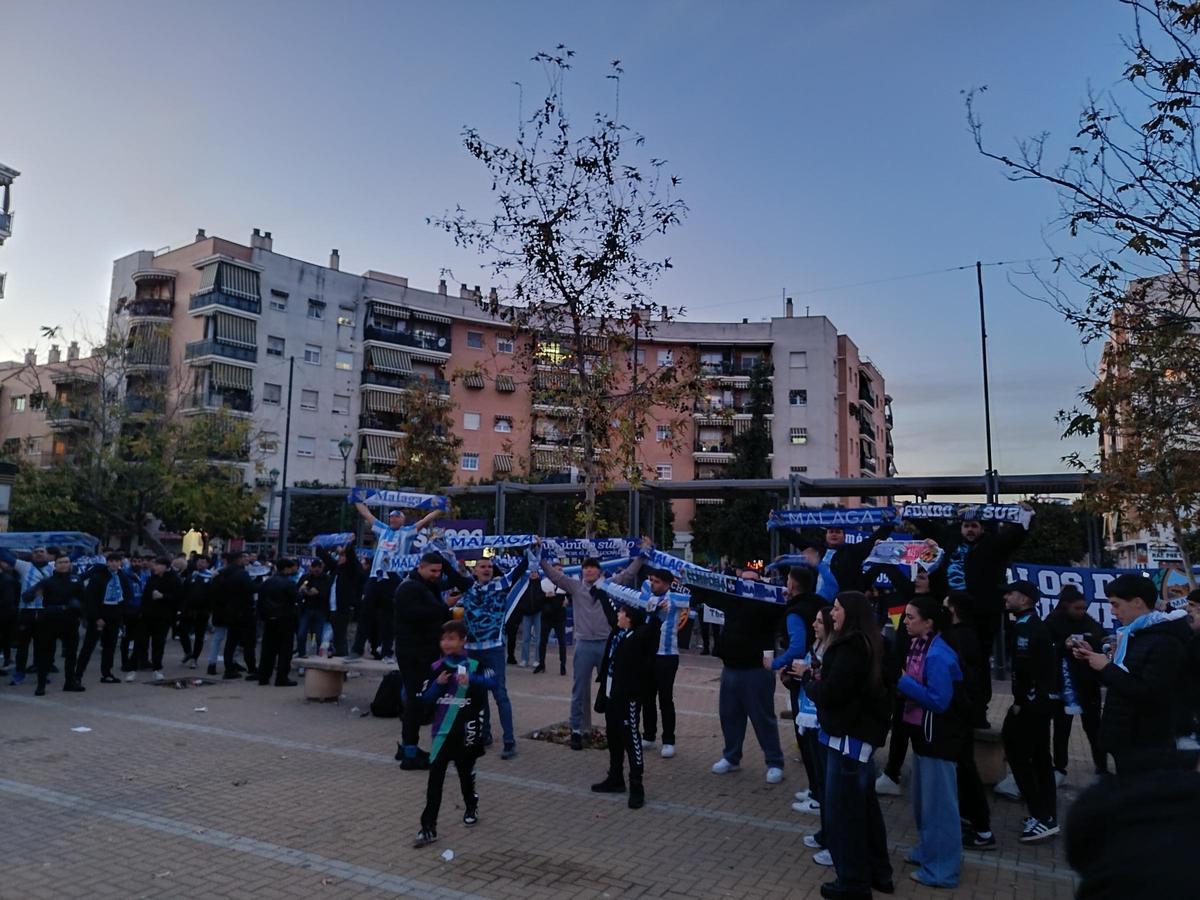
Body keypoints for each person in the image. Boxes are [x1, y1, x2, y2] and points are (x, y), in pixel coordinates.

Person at [800, 591, 893, 898]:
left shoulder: (851, 647)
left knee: (846, 815)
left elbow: (832, 692)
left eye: (837, 609)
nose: (832, 614)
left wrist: (808, 682)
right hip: (853, 739)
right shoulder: (869, 643)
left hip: (848, 742)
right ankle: (878, 872)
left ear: (850, 614)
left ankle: (853, 883)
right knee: (864, 810)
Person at [1070, 573, 1190, 773]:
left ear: (1137, 602)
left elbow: (1149, 693)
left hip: (1145, 743)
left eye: (1116, 605)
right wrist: (1093, 658)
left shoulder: (1164, 641)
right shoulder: (1134, 634)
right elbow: (1122, 681)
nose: (1112, 611)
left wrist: (1106, 667)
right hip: (1126, 738)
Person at [537, 540, 648, 751]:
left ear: (599, 571)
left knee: (612, 689)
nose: (589, 571)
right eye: (586, 568)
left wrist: (642, 556)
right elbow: (554, 576)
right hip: (584, 645)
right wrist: (540, 558)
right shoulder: (575, 586)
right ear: (582, 571)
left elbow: (628, 575)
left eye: (593, 568)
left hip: (607, 645)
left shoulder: (608, 585)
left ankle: (614, 729)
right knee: (580, 690)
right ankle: (578, 731)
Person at [928, 508, 1030, 723]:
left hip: (983, 615)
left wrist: (1026, 517)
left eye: (974, 526)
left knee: (979, 663)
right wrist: (911, 513)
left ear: (982, 528)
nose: (970, 530)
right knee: (950, 658)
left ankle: (978, 711)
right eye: (967, 526)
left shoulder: (992, 545)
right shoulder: (951, 540)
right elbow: (931, 528)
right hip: (953, 616)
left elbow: (1014, 536)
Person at [896, 595, 966, 889]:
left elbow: (939, 701)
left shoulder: (939, 655)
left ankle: (943, 869)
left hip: (939, 737)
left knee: (940, 806)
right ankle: (928, 851)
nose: (905, 622)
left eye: (911, 617)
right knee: (924, 802)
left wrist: (902, 681)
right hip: (921, 734)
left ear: (929, 622)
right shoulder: (918, 645)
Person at [413, 620, 495, 848]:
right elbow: (425, 699)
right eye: (443, 638)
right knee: (434, 781)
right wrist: (438, 684)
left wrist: (472, 681)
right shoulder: (437, 666)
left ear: (462, 640)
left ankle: (471, 803)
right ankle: (428, 827)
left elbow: (494, 682)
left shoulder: (475, 664)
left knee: (465, 776)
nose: (446, 643)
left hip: (466, 731)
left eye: (452, 638)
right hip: (441, 734)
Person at [440, 550, 529, 760]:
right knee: (477, 694)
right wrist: (439, 549)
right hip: (471, 650)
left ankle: (509, 742)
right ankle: (484, 734)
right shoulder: (467, 586)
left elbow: (520, 570)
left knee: (500, 694)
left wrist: (531, 549)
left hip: (494, 649)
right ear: (474, 570)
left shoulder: (501, 585)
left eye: (489, 566)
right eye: (482, 566)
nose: (486, 569)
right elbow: (450, 572)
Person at [702, 570, 786, 784]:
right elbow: (707, 595)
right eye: (744, 581)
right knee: (729, 716)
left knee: (763, 718)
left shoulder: (770, 605)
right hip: (730, 668)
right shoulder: (732, 600)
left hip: (756, 671)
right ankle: (731, 757)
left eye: (753, 581)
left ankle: (774, 762)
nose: (747, 585)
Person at [599, 561, 689, 758]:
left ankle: (668, 740)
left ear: (667, 583)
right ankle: (649, 735)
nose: (652, 583)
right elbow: (632, 587)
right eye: (651, 580)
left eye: (657, 581)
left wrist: (681, 581)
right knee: (646, 696)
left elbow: (689, 597)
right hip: (646, 655)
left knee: (665, 699)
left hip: (667, 655)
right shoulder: (647, 592)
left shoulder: (674, 598)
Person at [1000, 579, 1059, 842]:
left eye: (1010, 593)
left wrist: (1020, 702)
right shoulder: (1026, 625)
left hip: (1032, 706)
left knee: (1024, 756)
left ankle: (1042, 815)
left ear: (1025, 599)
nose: (1006, 597)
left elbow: (1026, 672)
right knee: (1037, 758)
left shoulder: (1029, 629)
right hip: (1037, 703)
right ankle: (1044, 814)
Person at [591, 604, 662, 809]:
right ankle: (615, 778)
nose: (617, 615)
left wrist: (655, 612)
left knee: (631, 739)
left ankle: (637, 785)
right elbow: (608, 610)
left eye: (621, 613)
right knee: (613, 737)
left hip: (628, 697)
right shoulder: (618, 634)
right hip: (611, 694)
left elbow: (651, 629)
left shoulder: (638, 637)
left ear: (629, 618)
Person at [941, 590, 994, 851]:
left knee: (965, 767)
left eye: (945, 606)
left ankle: (982, 828)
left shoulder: (960, 637)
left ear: (952, 610)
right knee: (961, 768)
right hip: (963, 710)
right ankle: (970, 818)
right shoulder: (965, 635)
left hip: (959, 713)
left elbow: (962, 677)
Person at [395, 551, 457, 770]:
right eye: (433, 571)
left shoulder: (425, 585)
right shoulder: (409, 588)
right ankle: (409, 754)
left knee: (415, 700)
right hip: (414, 653)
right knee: (415, 701)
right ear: (420, 567)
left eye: (440, 571)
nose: (437, 575)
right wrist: (444, 605)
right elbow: (417, 614)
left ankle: (407, 746)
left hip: (423, 652)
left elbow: (458, 582)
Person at [770, 566, 824, 812]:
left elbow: (796, 647)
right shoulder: (820, 603)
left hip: (803, 677)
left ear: (792, 585)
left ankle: (818, 795)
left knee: (807, 737)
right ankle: (816, 789)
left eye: (787, 580)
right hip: (818, 673)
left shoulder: (795, 613)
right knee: (813, 738)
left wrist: (776, 664)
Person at [1045, 585, 1108, 781]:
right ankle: (1060, 767)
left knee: (1094, 727)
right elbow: (1044, 648)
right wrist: (1063, 645)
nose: (1081, 612)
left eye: (1083, 608)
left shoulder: (1089, 622)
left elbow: (1099, 637)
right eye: (1077, 608)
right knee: (1062, 728)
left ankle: (1102, 767)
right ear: (1066, 606)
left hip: (1088, 683)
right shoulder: (1052, 622)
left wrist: (1093, 643)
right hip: (1063, 684)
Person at [788, 605, 835, 841]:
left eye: (819, 621)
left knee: (825, 774)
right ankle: (825, 830)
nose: (814, 625)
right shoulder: (816, 645)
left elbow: (825, 682)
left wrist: (808, 673)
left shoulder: (832, 651)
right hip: (807, 711)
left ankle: (829, 834)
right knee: (816, 766)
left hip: (820, 718)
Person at [776, 515, 896, 593]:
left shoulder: (852, 552)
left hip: (843, 605)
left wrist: (890, 524)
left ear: (844, 536)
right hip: (819, 605)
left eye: (838, 532)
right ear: (826, 535)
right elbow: (798, 540)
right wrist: (779, 525)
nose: (834, 534)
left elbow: (872, 540)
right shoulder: (818, 551)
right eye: (831, 532)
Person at [24, 554, 86, 696]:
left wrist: (81, 612)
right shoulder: (47, 582)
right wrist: (34, 593)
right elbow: (27, 596)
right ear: (55, 565)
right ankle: (41, 685)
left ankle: (69, 683)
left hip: (70, 621)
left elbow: (84, 600)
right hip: (50, 621)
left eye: (66, 562)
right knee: (45, 654)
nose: (64, 565)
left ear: (70, 564)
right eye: (60, 562)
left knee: (71, 654)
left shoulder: (76, 580)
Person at [76, 552, 134, 684]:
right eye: (111, 561)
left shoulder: (122, 576)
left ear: (120, 563)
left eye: (117, 561)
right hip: (100, 614)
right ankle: (78, 674)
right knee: (89, 646)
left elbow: (127, 594)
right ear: (107, 562)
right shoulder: (98, 577)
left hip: (115, 614)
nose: (114, 564)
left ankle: (107, 673)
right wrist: (96, 617)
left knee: (110, 646)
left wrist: (121, 613)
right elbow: (90, 599)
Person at [1, 546, 55, 685]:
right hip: (26, 611)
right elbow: (5, 555)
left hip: (44, 611)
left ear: (47, 554)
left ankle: (42, 673)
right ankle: (20, 672)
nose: (38, 554)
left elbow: (75, 556)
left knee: (43, 645)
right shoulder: (24, 566)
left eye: (41, 551)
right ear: (32, 555)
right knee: (22, 645)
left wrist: (82, 540)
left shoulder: (53, 566)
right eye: (35, 552)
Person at [257, 558, 300, 687]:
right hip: (285, 619)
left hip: (270, 619)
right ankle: (281, 678)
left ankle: (264, 677)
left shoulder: (267, 582)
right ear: (286, 568)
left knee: (268, 649)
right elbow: (296, 598)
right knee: (285, 650)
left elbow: (261, 601)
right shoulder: (289, 583)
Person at [317, 543, 362, 658]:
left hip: (343, 607)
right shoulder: (337, 569)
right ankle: (340, 652)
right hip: (333, 607)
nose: (339, 558)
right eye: (339, 556)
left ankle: (342, 654)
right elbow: (327, 559)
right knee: (337, 633)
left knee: (341, 633)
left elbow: (352, 558)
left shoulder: (350, 571)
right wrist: (321, 544)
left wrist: (348, 546)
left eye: (342, 556)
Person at [219, 551, 258, 681]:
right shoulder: (242, 574)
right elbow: (251, 588)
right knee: (248, 643)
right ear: (238, 559)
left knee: (231, 641)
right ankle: (252, 669)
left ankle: (229, 668)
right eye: (243, 558)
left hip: (229, 611)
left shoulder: (222, 574)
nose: (245, 560)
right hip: (244, 611)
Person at [143, 556, 181, 682]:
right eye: (155, 565)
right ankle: (140, 663)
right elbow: (146, 594)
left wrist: (163, 596)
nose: (155, 567)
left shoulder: (174, 579)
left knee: (158, 643)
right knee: (143, 640)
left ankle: (157, 667)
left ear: (165, 567)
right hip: (148, 615)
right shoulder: (152, 578)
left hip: (164, 616)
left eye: (158, 565)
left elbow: (177, 597)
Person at [179, 555, 214, 669]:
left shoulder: (210, 577)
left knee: (199, 636)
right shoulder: (192, 575)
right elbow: (184, 591)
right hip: (188, 609)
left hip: (202, 611)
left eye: (203, 562)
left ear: (208, 564)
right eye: (199, 561)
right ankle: (188, 652)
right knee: (182, 632)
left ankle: (195, 658)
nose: (200, 564)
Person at [296, 558, 332, 658]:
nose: (314, 573)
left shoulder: (327, 579)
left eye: (316, 571)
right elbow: (298, 591)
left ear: (321, 569)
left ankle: (319, 657)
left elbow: (322, 593)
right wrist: (303, 591)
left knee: (319, 636)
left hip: (320, 609)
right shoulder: (306, 577)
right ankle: (302, 654)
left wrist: (309, 592)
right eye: (312, 571)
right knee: (301, 634)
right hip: (306, 609)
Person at [534, 572, 568, 676]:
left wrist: (568, 600)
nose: (559, 571)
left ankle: (563, 666)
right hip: (546, 617)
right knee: (542, 641)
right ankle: (541, 664)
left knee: (562, 642)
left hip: (560, 618)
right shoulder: (543, 583)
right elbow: (537, 598)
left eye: (560, 570)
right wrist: (545, 595)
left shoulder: (565, 583)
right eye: (556, 569)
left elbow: (572, 595)